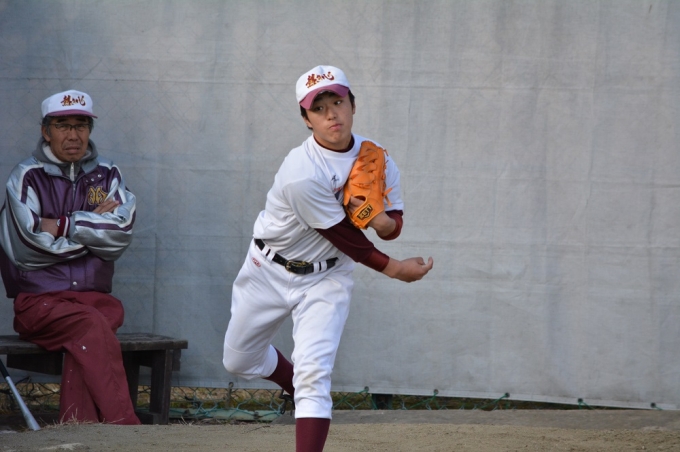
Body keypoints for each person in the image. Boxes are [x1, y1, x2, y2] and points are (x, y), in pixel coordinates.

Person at [222, 65, 433, 451]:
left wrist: (380, 219)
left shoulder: (377, 158)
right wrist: (396, 269)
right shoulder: (300, 171)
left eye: (338, 102)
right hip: (268, 269)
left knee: (315, 377)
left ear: (353, 105)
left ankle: (304, 393)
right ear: (306, 120)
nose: (331, 114)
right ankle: (293, 384)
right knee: (238, 361)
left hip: (327, 278)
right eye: (318, 108)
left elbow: (393, 226)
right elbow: (344, 237)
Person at [0, 89, 140, 425]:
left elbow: (120, 234)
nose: (73, 135)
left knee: (95, 324)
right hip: (40, 303)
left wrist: (64, 225)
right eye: (63, 126)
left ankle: (79, 427)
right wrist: (94, 230)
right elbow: (28, 248)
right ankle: (124, 425)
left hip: (94, 300)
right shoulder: (26, 176)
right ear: (46, 131)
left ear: (90, 130)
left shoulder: (108, 174)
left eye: (81, 125)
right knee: (91, 326)